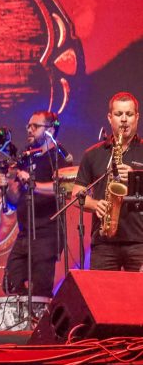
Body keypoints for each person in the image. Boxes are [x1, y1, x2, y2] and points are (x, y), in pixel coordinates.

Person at [0, 111, 72, 297]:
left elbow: (63, 189)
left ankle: (41, 314)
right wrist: (6, 186)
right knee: (11, 282)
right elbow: (14, 201)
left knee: (40, 290)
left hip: (47, 233)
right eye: (28, 126)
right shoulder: (27, 157)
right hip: (25, 232)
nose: (29, 130)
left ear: (50, 130)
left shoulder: (59, 157)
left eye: (35, 126)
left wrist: (32, 184)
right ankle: (25, 312)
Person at [72, 91, 143, 271]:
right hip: (104, 242)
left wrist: (135, 178)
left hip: (139, 241)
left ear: (137, 117)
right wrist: (95, 205)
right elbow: (76, 195)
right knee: (100, 289)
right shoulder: (93, 154)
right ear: (110, 118)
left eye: (129, 114)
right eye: (119, 114)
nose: (124, 119)